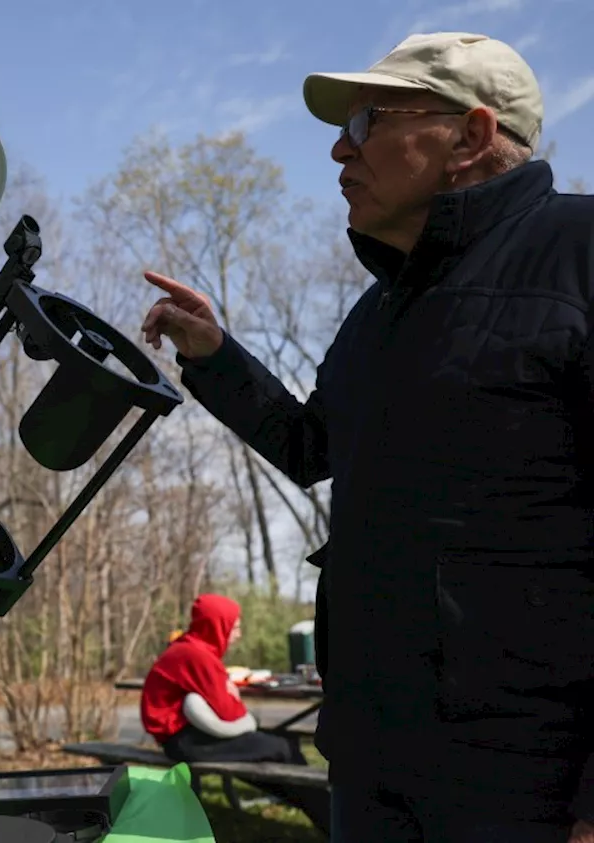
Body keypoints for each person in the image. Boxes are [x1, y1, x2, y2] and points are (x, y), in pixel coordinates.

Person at [140, 31, 594, 843]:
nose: (337, 150)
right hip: (371, 763)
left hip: (529, 783)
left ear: (471, 135)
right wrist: (215, 356)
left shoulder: (578, 255)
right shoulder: (381, 309)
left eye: (368, 121)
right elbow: (314, 446)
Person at [140, 593, 306, 766]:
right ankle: (316, 793)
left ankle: (305, 793)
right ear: (217, 626)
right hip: (186, 741)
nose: (239, 634)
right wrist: (232, 695)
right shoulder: (197, 655)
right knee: (282, 747)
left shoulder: (188, 648)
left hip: (185, 736)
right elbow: (228, 713)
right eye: (234, 628)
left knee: (277, 743)